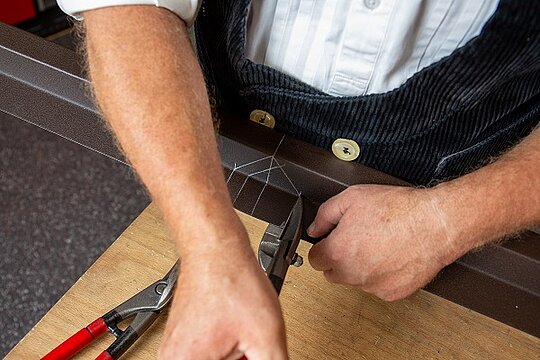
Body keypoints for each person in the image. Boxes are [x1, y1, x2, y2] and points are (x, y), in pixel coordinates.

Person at [57, 1, 540, 359]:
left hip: (474, 187)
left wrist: (447, 220)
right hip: (211, 155)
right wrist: (209, 246)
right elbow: (125, 6)